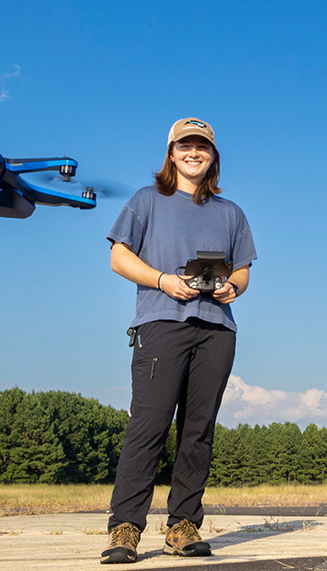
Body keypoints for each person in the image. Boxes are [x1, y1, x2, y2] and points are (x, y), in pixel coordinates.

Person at [101, 117, 256, 564]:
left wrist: (233, 288)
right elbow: (118, 257)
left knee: (197, 431)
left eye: (202, 147)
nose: (194, 153)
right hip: (161, 322)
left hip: (217, 330)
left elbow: (242, 270)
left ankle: (183, 526)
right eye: (185, 146)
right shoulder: (146, 200)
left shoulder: (231, 213)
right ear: (171, 154)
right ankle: (125, 528)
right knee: (148, 427)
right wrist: (163, 280)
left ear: (213, 157)